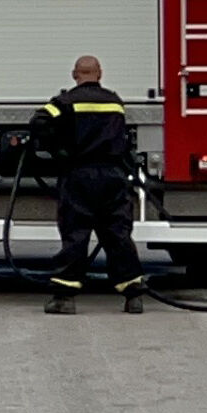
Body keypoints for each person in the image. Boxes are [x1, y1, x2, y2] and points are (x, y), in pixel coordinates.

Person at [34, 54, 144, 314]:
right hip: (113, 176)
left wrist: (57, 151)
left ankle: (64, 298)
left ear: (75, 75)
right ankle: (133, 296)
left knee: (76, 234)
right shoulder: (115, 102)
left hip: (79, 175)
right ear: (100, 74)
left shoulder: (64, 102)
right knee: (118, 235)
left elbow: (38, 123)